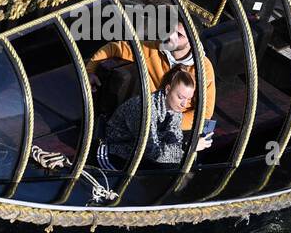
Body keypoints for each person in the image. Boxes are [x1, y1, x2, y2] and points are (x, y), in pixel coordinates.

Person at [86, 20, 215, 132]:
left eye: (179, 35)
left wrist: (170, 123)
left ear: (192, 41)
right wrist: (90, 71)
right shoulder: (152, 49)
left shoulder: (204, 68)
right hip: (148, 119)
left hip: (178, 125)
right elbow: (114, 48)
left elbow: (205, 114)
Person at [96, 66, 215, 172]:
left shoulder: (175, 109)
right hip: (113, 153)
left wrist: (190, 148)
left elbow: (174, 140)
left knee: (181, 167)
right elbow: (152, 152)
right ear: (168, 90)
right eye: (180, 97)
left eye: (188, 99)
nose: (184, 104)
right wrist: (187, 148)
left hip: (138, 155)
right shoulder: (144, 108)